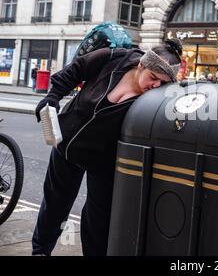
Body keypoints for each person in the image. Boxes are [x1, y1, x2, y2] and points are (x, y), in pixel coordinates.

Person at [31, 39, 182, 256]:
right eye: (153, 78)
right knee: (55, 204)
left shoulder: (156, 97)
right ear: (141, 64)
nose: (156, 85)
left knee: (98, 220)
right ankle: (40, 251)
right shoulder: (114, 58)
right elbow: (77, 69)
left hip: (104, 160)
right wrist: (52, 97)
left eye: (163, 82)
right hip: (68, 143)